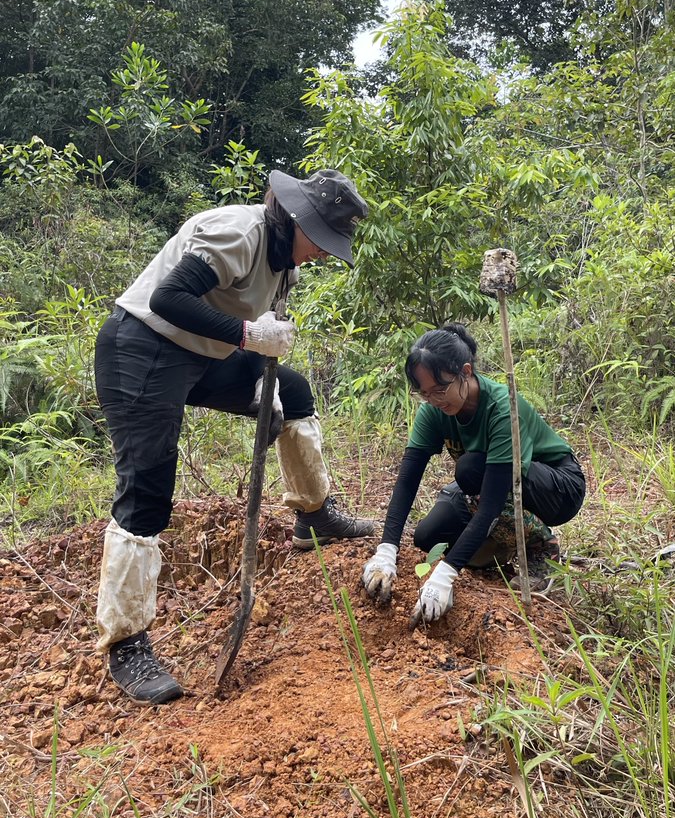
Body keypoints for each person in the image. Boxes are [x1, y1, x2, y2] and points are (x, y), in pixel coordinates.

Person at [95, 168, 375, 705]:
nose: (321, 253)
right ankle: (126, 643)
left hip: (205, 358)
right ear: (296, 220)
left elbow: (253, 327)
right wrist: (249, 336)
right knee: (148, 484)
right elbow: (170, 300)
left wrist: (258, 369)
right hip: (142, 350)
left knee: (292, 391)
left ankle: (314, 514)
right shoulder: (237, 232)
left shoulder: (282, 260)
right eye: (321, 239)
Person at [362, 322, 585, 622]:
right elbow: (407, 481)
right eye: (425, 394)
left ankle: (541, 545)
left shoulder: (502, 408)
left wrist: (445, 574)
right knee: (428, 535)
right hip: (488, 480)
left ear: (466, 372)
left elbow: (491, 502)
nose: (435, 401)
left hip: (556, 486)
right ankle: (500, 545)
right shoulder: (434, 410)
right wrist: (387, 550)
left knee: (468, 470)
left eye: (440, 389)